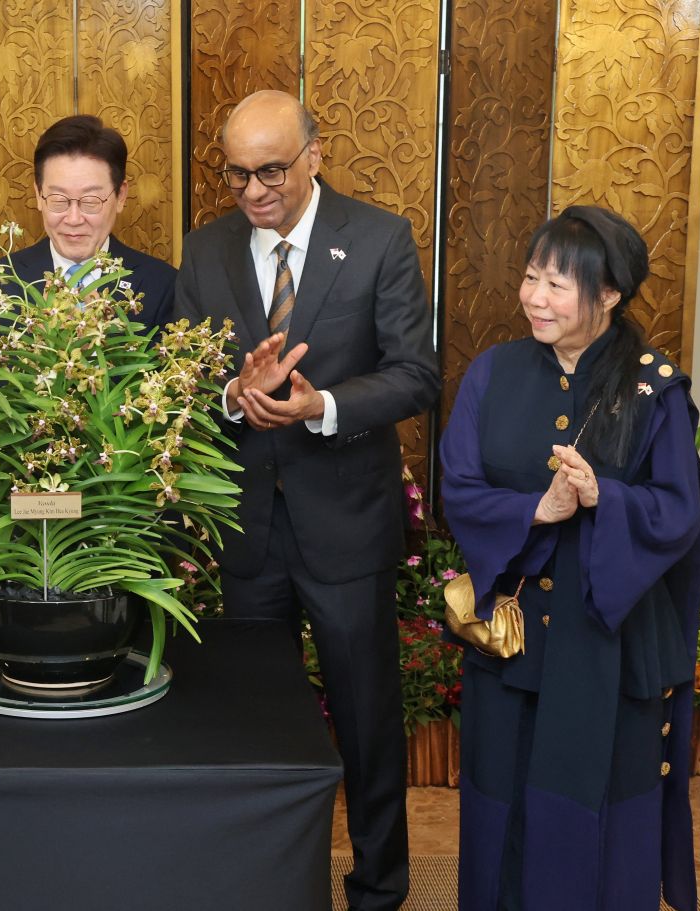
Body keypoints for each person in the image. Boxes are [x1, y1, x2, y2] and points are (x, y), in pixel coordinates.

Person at [172, 90, 440, 911]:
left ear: (315, 155)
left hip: (345, 524)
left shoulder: (379, 238)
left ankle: (378, 887)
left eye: (272, 171)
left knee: (365, 722)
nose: (254, 191)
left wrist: (320, 405)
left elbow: (415, 373)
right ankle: (266, 884)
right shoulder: (206, 249)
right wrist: (231, 395)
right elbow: (179, 376)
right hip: (246, 527)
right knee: (255, 723)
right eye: (237, 174)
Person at [439, 206, 700, 910]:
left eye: (559, 285)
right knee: (502, 812)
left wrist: (604, 498)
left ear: (610, 294)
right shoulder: (493, 372)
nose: (535, 297)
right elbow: (460, 488)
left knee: (602, 821)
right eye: (531, 277)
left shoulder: (654, 389)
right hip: (514, 647)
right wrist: (538, 507)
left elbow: (680, 511)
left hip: (606, 652)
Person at [0, 113, 174, 330]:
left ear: (120, 196)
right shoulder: (0, 282)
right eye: (59, 200)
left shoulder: (162, 285)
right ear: (38, 195)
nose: (73, 219)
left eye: (91, 201)